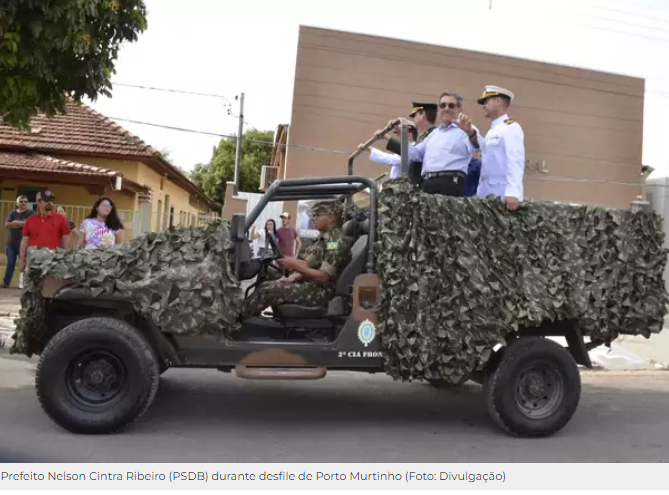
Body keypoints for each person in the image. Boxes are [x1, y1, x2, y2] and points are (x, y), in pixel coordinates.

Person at [243, 200, 351, 318]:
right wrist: (292, 277)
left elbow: (323, 277)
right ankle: (253, 316)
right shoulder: (324, 238)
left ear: (330, 217)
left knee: (267, 290)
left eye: (317, 215)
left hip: (321, 292)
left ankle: (238, 322)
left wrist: (295, 266)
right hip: (312, 284)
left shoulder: (335, 242)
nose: (313, 218)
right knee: (267, 274)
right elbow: (312, 265)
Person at [383, 92, 482, 196]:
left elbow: (477, 146)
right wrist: (402, 134)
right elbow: (415, 154)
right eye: (443, 105)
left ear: (459, 109)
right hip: (428, 184)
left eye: (451, 105)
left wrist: (471, 133)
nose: (446, 108)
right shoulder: (434, 134)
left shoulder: (466, 128)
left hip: (451, 183)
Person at [475, 85, 526, 211]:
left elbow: (515, 161)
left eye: (486, 102)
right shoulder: (493, 130)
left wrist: (513, 192)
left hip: (502, 196)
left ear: (498, 101)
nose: (484, 106)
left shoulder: (511, 127)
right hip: (486, 194)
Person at [361, 102, 438, 184]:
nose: (413, 119)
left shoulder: (432, 136)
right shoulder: (424, 137)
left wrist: (389, 136)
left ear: (422, 114)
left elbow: (407, 156)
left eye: (415, 115)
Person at [19, 190, 71, 273]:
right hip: (33, 261)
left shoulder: (61, 219)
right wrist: (22, 261)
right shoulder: (30, 220)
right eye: (47, 200)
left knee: (50, 286)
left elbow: (66, 239)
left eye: (51, 200)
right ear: (38, 201)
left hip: (52, 261)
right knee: (31, 286)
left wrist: (65, 258)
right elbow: (24, 242)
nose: (50, 203)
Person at [2, 196, 33, 288]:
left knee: (24, 264)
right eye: (21, 201)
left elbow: (29, 225)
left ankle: (25, 285)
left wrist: (15, 223)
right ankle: (6, 283)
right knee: (10, 264)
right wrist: (22, 224)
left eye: (25, 201)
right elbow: (7, 225)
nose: (23, 203)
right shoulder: (12, 213)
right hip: (11, 243)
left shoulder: (30, 213)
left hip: (23, 244)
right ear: (17, 203)